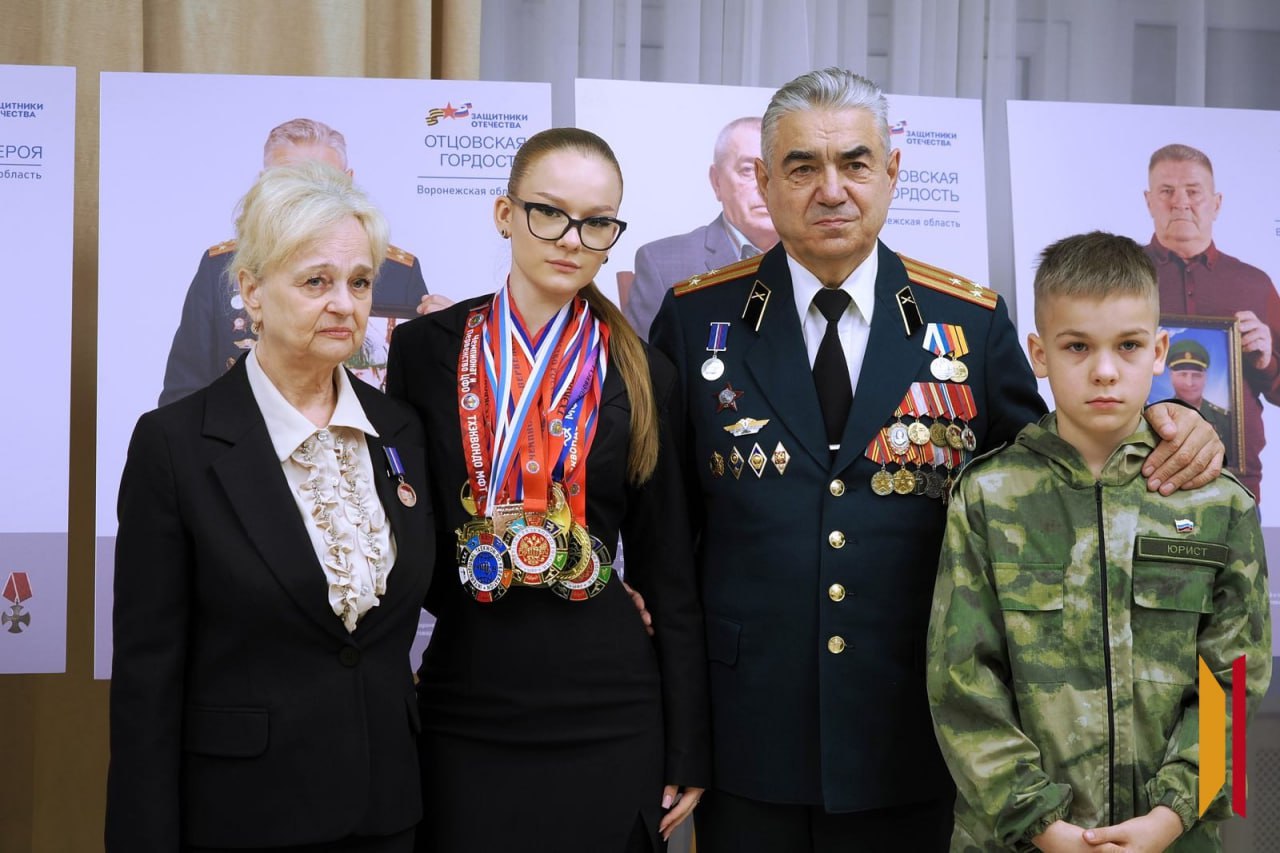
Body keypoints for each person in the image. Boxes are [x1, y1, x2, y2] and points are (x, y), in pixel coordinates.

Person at [648, 67, 1224, 853]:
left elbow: (1055, 471)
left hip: (923, 747)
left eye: (854, 163)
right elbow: (667, 556)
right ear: (766, 180)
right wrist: (682, 740)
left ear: (891, 173)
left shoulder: (969, 324)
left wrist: (1163, 415)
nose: (831, 189)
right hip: (750, 742)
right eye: (802, 167)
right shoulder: (693, 321)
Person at [384, 127, 709, 853]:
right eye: (548, 212)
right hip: (468, 695)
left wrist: (688, 743)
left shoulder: (644, 371)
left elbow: (670, 570)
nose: (571, 238)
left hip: (610, 702)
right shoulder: (426, 349)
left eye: (597, 222)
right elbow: (408, 540)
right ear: (504, 213)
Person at [107, 162, 434, 852]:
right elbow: (148, 679)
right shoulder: (175, 444)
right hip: (243, 815)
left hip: (388, 811)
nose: (344, 304)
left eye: (360, 282)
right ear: (251, 292)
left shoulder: (400, 428)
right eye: (316, 280)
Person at [928, 231, 1271, 852]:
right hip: (1016, 841)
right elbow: (961, 684)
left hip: (1175, 838)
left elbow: (1237, 681)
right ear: (1038, 352)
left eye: (1130, 345)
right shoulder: (987, 495)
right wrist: (1042, 826)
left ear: (1160, 349)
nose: (1105, 370)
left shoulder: (1218, 503)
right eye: (1077, 346)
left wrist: (1171, 816)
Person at [158, 117, 451, 407]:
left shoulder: (398, 272)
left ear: (348, 182)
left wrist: (456, 349)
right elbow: (184, 396)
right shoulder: (221, 268)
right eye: (290, 183)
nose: (308, 199)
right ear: (251, 289)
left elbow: (414, 400)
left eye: (359, 283)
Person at [1144, 143, 1280, 499]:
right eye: (1167, 191)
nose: (1181, 202)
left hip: (1234, 479)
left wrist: (1266, 361)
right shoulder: (1121, 276)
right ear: (1148, 200)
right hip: (1140, 472)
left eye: (1193, 191)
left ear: (1216, 203)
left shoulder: (1254, 284)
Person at [624, 116, 778, 339]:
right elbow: (643, 364)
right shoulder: (661, 263)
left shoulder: (813, 259)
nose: (764, 186)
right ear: (717, 181)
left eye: (773, 171)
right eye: (747, 170)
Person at [1167, 335, 1234, 457]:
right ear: (1171, 376)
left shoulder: (1224, 420)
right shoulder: (1158, 416)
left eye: (1196, 375)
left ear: (1205, 378)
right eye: (1182, 375)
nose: (1189, 383)